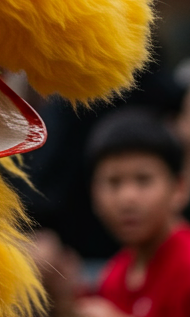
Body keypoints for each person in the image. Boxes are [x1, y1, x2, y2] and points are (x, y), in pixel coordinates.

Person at [76, 108, 190, 317]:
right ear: (93, 194)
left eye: (143, 179)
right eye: (114, 182)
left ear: (179, 188)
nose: (127, 198)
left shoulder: (186, 264)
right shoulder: (113, 276)